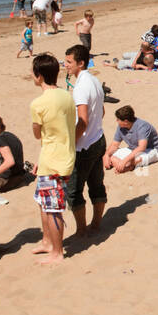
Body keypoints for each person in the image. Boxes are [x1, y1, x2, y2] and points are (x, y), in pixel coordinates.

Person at [29, 53, 76, 265]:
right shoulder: (67, 95)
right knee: (42, 201)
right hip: (57, 155)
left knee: (53, 207)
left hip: (54, 161)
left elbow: (37, 134)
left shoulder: (38, 103)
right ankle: (47, 241)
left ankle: (57, 252)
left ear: (39, 76)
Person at [64, 45, 107, 237]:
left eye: (68, 62)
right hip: (98, 139)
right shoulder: (95, 81)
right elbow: (102, 111)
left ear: (80, 63)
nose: (65, 66)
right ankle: (96, 224)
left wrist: (71, 142)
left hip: (85, 146)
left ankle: (82, 229)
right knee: (96, 185)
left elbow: (82, 121)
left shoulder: (81, 87)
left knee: (74, 191)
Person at [105, 106, 158, 173]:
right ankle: (127, 166)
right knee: (110, 156)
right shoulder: (121, 127)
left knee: (137, 160)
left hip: (151, 150)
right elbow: (115, 144)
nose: (117, 121)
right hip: (133, 149)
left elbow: (142, 147)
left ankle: (129, 165)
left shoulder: (142, 126)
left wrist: (124, 161)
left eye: (118, 119)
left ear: (125, 121)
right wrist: (107, 155)